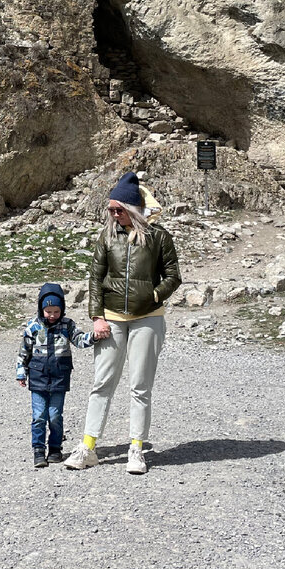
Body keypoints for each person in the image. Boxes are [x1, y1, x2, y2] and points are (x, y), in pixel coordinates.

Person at [64, 171, 181, 475]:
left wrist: (154, 295)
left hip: (149, 319)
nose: (115, 215)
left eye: (120, 210)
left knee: (140, 386)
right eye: (111, 210)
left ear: (133, 209)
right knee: (102, 383)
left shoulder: (159, 237)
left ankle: (136, 450)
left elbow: (173, 276)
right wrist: (97, 316)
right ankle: (88, 448)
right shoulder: (106, 236)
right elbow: (95, 277)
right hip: (111, 320)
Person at [15, 282, 95, 468]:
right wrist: (21, 372)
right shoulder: (33, 326)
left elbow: (79, 340)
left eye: (56, 312)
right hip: (38, 376)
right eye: (48, 311)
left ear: (62, 310)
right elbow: (24, 351)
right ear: (41, 309)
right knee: (39, 415)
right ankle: (38, 450)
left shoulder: (67, 325)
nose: (52, 315)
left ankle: (55, 448)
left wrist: (94, 337)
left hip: (59, 376)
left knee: (55, 415)